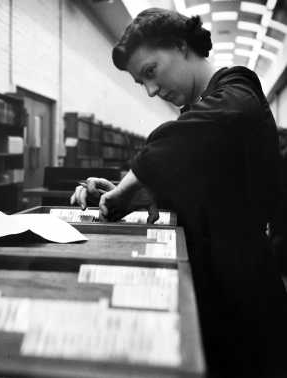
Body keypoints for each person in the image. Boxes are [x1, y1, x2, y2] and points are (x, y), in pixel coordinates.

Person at [70, 8, 287, 377]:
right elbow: (198, 194)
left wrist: (133, 181)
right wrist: (133, 194)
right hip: (207, 294)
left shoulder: (237, 89)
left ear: (179, 46)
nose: (152, 91)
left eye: (150, 72)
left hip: (246, 299)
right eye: (142, 84)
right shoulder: (195, 116)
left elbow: (194, 133)